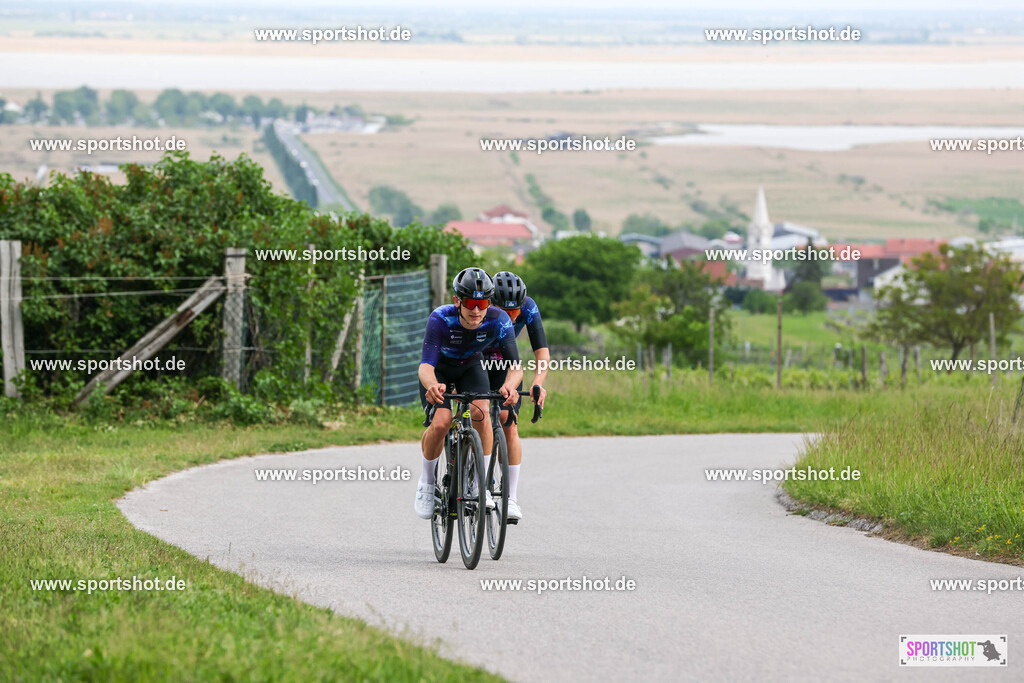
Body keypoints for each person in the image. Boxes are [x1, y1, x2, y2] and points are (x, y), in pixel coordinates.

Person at [414, 267, 523, 519]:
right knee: (441, 423)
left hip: (471, 367)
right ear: (457, 301)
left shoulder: (499, 319)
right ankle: (427, 482)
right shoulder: (440, 318)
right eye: (470, 303)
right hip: (439, 370)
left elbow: (515, 367)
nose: (476, 310)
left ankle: (480, 486)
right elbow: (426, 366)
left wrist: (510, 384)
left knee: (481, 413)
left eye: (482, 303)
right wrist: (432, 385)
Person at [482, 271, 548, 522]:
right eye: (503, 311)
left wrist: (538, 384)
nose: (510, 318)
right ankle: (464, 461)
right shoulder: (479, 309)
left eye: (514, 312)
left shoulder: (529, 308)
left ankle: (511, 499)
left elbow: (542, 354)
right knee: (474, 411)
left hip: (503, 365)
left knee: (509, 422)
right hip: (474, 361)